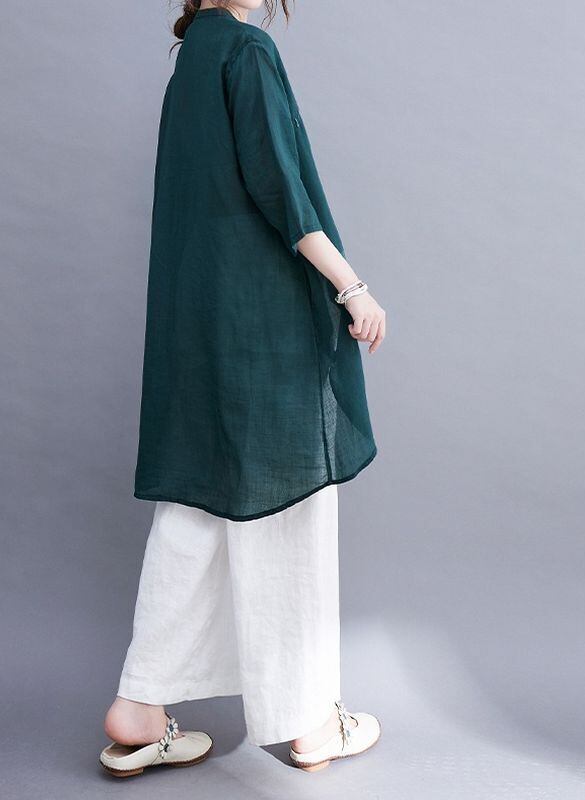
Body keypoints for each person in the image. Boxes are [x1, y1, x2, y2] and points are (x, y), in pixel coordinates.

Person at [100, 0, 386, 777]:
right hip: (260, 326)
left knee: (198, 505)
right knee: (289, 500)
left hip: (198, 327)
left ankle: (140, 704)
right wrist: (352, 286)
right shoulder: (246, 53)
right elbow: (279, 186)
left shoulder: (194, 55)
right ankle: (309, 722)